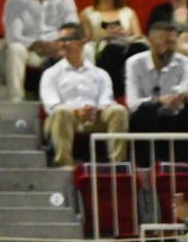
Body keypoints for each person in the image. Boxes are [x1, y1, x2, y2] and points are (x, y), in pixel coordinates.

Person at [41, 22, 130, 166]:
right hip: (65, 119)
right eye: (61, 40)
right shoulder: (51, 74)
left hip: (94, 117)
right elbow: (51, 105)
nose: (64, 44)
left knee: (118, 110)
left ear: (82, 41)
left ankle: (117, 164)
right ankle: (64, 163)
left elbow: (106, 99)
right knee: (61, 111)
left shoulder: (100, 74)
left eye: (69, 39)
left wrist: (95, 110)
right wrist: (77, 112)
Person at [2, 0, 79, 102]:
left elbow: (72, 27)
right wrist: (39, 45)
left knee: (86, 48)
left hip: (60, 49)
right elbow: (13, 35)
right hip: (30, 52)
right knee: (14, 48)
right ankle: (15, 101)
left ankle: (84, 96)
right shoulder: (14, 1)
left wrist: (58, 44)